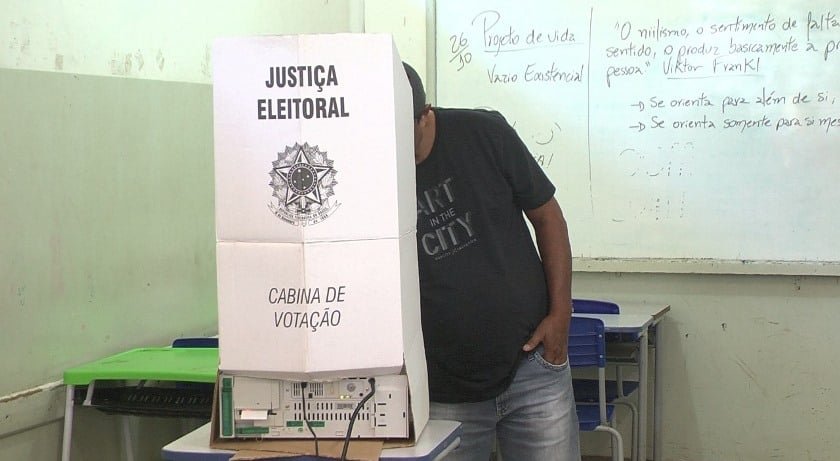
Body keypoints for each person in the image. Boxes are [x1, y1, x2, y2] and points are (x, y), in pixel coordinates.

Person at [404, 63, 580, 461]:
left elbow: (548, 218)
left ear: (426, 115)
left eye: (405, 134)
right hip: (444, 389)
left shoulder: (484, 133)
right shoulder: (374, 170)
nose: (396, 149)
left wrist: (561, 315)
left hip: (533, 367)